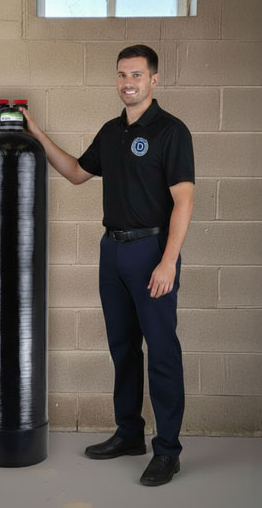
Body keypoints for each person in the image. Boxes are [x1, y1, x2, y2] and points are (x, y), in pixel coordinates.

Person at [19, 44, 194, 486]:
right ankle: (129, 433)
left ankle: (167, 451)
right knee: (123, 349)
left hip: (151, 253)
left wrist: (169, 262)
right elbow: (77, 172)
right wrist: (38, 136)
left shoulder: (171, 132)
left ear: (154, 80)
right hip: (112, 251)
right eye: (121, 75)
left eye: (136, 75)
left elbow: (184, 201)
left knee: (162, 353)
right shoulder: (112, 131)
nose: (128, 83)